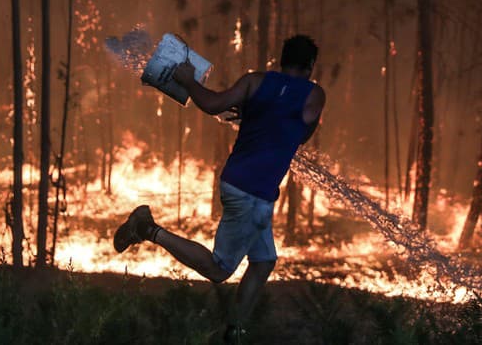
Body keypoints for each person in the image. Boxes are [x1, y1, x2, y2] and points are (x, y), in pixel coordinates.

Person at [113, 35, 325, 343]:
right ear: (309, 67)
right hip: (253, 193)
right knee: (219, 269)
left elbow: (212, 103)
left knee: (264, 261)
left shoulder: (254, 82)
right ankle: (148, 229)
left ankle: (233, 331)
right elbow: (300, 135)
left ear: (282, 60)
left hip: (239, 182)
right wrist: (189, 81)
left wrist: (190, 82)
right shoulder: (314, 94)